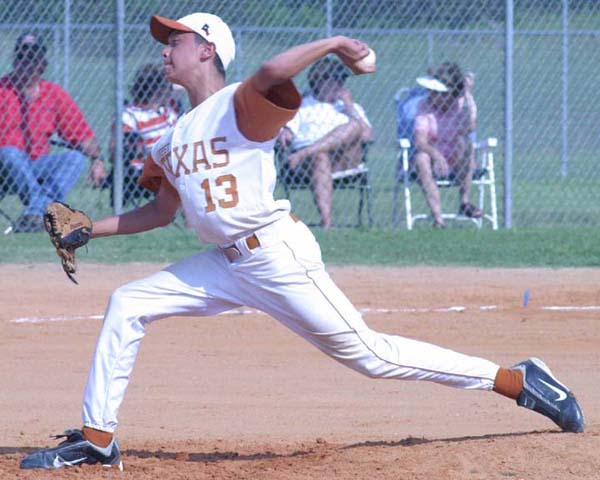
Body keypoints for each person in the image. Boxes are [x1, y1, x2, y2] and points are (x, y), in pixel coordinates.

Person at [20, 12, 584, 471]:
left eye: (177, 38)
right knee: (129, 302)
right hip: (224, 264)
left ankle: (517, 379)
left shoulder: (241, 105)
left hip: (276, 255)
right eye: (165, 40)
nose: (165, 47)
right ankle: (96, 439)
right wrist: (90, 228)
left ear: (208, 50)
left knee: (370, 356)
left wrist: (337, 41)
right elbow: (162, 211)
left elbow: (270, 72)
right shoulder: (168, 139)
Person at [0, 33, 106, 233]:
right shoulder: (2, 89)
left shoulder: (53, 93)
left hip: (38, 165)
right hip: (4, 167)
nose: (27, 63)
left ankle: (34, 213)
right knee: (9, 153)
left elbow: (81, 134)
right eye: (22, 57)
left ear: (43, 63)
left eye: (33, 58)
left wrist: (97, 160)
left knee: (75, 158)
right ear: (14, 61)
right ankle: (41, 211)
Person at [277, 57, 372, 229]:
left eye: (343, 79)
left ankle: (307, 152)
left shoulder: (351, 108)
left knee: (355, 125)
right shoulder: (302, 105)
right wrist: (283, 131)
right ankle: (327, 223)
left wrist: (349, 107)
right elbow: (287, 133)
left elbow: (366, 136)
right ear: (320, 81)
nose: (341, 84)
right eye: (336, 79)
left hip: (345, 159)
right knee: (321, 157)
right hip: (310, 165)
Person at [413, 62, 480, 228]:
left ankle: (464, 202)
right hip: (432, 158)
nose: (433, 95)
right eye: (432, 92)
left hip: (457, 160)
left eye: (439, 93)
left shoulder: (461, 104)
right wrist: (435, 155)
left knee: (467, 143)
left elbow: (470, 127)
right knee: (421, 158)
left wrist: (468, 94)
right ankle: (438, 219)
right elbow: (420, 141)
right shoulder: (424, 106)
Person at [107, 63, 181, 207]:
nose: (171, 91)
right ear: (159, 91)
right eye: (168, 88)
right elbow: (115, 151)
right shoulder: (130, 115)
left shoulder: (167, 108)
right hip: (147, 165)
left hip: (176, 158)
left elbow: (186, 86)